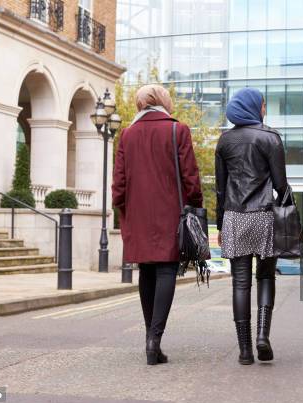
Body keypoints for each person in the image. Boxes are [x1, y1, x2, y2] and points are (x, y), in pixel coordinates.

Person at [112, 84, 203, 365]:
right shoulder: (178, 130)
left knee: (146, 271)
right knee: (166, 270)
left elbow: (118, 183)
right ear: (164, 102)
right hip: (170, 212)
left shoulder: (127, 134)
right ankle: (155, 340)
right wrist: (195, 204)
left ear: (140, 105)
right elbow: (190, 177)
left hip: (137, 213)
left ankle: (150, 339)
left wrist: (124, 209)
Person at [215, 88, 288, 365]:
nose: (265, 108)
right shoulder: (270, 137)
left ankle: (244, 350)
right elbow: (281, 186)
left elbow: (221, 189)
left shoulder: (225, 141)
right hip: (265, 215)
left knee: (240, 283)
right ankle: (262, 337)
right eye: (263, 104)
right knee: (266, 277)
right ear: (256, 107)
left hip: (234, 216)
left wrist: (221, 223)